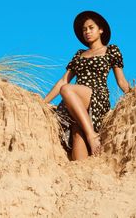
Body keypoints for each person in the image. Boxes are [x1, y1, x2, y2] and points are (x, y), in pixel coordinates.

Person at [43, 10, 131, 160]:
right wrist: (43, 102)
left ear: (101, 30)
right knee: (77, 134)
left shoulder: (111, 50)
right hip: (75, 99)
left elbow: (121, 81)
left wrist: (134, 95)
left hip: (96, 96)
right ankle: (82, 176)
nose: (87, 32)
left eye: (91, 28)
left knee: (67, 90)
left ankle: (92, 136)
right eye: (84, 29)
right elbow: (63, 80)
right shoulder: (79, 54)